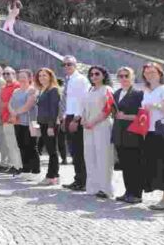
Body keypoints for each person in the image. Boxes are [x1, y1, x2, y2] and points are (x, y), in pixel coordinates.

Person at [140, 62, 164, 210]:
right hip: (152, 131)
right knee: (162, 165)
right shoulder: (148, 91)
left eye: (153, 72)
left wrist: (155, 106)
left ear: (160, 73)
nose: (149, 74)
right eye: (147, 72)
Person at [81, 65, 115, 198]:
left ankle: (105, 188)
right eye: (92, 74)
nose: (94, 76)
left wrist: (93, 122)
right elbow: (84, 108)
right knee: (90, 156)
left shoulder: (107, 89)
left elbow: (107, 110)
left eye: (97, 74)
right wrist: (83, 120)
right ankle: (93, 187)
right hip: (88, 127)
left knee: (103, 156)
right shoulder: (90, 89)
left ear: (103, 75)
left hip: (102, 126)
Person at [111, 67, 144, 204]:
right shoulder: (116, 93)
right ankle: (128, 192)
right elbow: (114, 113)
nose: (123, 78)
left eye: (126, 76)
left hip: (132, 134)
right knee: (125, 165)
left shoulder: (138, 94)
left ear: (132, 77)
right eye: (121, 76)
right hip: (119, 133)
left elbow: (142, 116)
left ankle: (136, 194)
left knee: (134, 165)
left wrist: (126, 117)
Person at [61, 55, 91, 192]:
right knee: (73, 150)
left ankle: (83, 180)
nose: (67, 67)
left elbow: (83, 101)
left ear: (76, 65)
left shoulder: (80, 80)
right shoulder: (69, 80)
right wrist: (65, 117)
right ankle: (78, 178)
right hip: (69, 115)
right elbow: (69, 101)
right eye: (64, 65)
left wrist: (75, 119)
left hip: (76, 117)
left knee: (78, 150)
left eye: (69, 64)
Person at [9, 69, 40, 178]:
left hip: (32, 122)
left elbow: (28, 105)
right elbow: (10, 104)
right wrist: (13, 113)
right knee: (21, 145)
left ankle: (35, 171)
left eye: (24, 76)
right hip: (18, 122)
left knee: (31, 146)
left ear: (30, 78)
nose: (21, 79)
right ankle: (26, 169)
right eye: (20, 76)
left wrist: (15, 113)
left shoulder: (33, 90)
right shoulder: (16, 91)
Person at [35, 67, 62, 185]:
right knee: (50, 150)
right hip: (43, 123)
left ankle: (51, 176)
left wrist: (51, 126)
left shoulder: (53, 90)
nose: (42, 77)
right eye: (40, 75)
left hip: (49, 124)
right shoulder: (42, 89)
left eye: (44, 75)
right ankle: (55, 176)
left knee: (52, 151)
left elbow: (53, 110)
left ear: (50, 76)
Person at [0, 67, 23, 174]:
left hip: (14, 119)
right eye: (4, 74)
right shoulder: (4, 87)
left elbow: (17, 103)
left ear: (14, 74)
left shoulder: (17, 86)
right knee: (10, 144)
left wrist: (14, 116)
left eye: (8, 74)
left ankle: (19, 166)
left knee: (15, 144)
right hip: (5, 119)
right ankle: (14, 165)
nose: (6, 76)